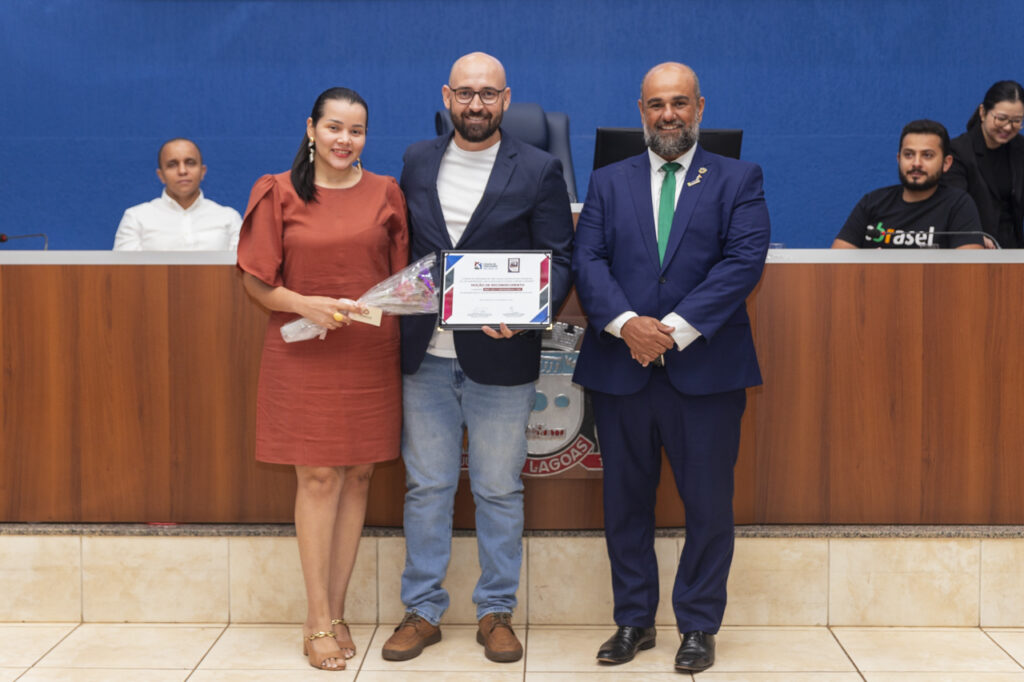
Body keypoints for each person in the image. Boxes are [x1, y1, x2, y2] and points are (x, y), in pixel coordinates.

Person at [572, 62, 770, 673]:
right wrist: (627, 325)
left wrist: (670, 332)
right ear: (641, 111)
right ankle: (633, 621)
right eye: (656, 104)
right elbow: (588, 261)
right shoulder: (608, 181)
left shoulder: (738, 178)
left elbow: (743, 263)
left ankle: (698, 625)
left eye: (679, 103)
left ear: (700, 108)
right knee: (624, 503)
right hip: (620, 367)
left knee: (708, 503)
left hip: (705, 370)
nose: (668, 114)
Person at [381, 52, 573, 664]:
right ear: (446, 96)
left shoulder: (540, 168)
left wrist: (527, 312)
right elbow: (404, 248)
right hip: (426, 357)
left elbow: (559, 257)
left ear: (507, 99)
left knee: (496, 489)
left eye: (488, 94)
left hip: (502, 358)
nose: (476, 105)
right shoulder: (415, 160)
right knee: (427, 487)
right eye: (465, 93)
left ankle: (495, 612)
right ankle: (423, 611)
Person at [236, 88, 408, 672]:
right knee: (316, 478)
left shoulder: (388, 192)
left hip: (368, 351)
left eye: (356, 130)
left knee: (357, 475)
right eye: (334, 127)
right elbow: (255, 282)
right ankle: (315, 618)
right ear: (311, 128)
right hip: (302, 349)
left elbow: (402, 280)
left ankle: (336, 611)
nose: (344, 140)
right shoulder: (277, 191)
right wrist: (304, 304)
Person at [833, 120, 984, 249]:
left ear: (946, 163)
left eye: (927, 155)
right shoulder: (872, 202)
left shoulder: (958, 205)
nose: (916, 163)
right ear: (899, 159)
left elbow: (969, 271)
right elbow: (836, 264)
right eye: (909, 155)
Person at [113, 138, 242, 250]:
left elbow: (242, 273)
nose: (182, 171)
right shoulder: (136, 218)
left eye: (190, 163)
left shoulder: (229, 218)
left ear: (202, 171)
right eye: (172, 165)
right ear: (161, 175)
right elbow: (124, 273)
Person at [945, 80, 1024, 248]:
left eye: (1017, 121)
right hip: (974, 245)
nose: (1008, 127)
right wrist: (973, 237)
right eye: (1001, 119)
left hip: (1013, 246)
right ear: (983, 112)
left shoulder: (1020, 147)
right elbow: (953, 204)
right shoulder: (958, 151)